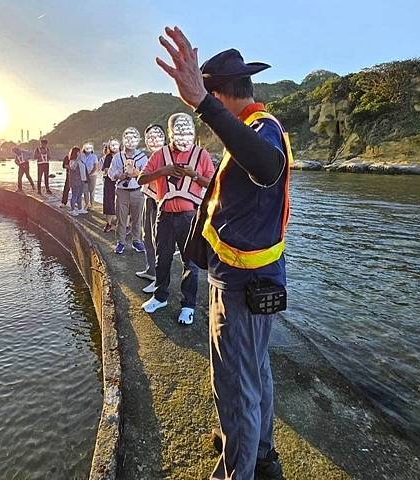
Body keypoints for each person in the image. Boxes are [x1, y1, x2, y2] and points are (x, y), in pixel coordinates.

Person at [157, 26, 291, 480]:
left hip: (241, 283)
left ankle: (239, 469)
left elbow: (267, 166)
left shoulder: (262, 130)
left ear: (221, 94)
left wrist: (202, 103)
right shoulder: (255, 129)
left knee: (236, 387)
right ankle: (260, 453)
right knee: (255, 373)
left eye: (210, 102)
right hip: (254, 277)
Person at [138, 113, 214, 324]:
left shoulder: (202, 155)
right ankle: (160, 296)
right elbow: (141, 178)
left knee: (190, 262)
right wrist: (164, 170)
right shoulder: (159, 155)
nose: (182, 135)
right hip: (164, 215)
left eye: (187, 130)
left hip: (189, 216)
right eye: (178, 131)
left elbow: (213, 184)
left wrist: (193, 175)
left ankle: (188, 305)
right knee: (163, 258)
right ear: (170, 133)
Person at [135, 124, 167, 293]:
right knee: (147, 235)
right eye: (149, 137)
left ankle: (159, 279)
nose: (152, 140)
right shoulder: (153, 156)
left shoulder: (166, 155)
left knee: (158, 240)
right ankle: (150, 270)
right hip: (148, 197)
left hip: (158, 201)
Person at [107, 127, 147, 254]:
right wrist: (119, 175)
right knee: (121, 218)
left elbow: (146, 174)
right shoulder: (117, 157)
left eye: (133, 138)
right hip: (122, 191)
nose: (130, 141)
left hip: (137, 190)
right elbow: (111, 173)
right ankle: (121, 242)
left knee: (137, 218)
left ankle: (137, 241)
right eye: (128, 138)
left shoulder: (142, 156)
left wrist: (136, 173)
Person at [101, 139, 120, 232]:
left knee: (120, 203)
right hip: (110, 182)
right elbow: (105, 170)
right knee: (109, 202)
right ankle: (109, 223)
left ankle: (118, 223)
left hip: (120, 183)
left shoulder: (122, 156)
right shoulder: (108, 157)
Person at [68, 146, 87, 216]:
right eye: (78, 152)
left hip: (81, 180)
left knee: (79, 195)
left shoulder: (81, 160)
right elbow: (73, 168)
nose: (80, 153)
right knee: (74, 195)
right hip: (75, 181)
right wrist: (77, 159)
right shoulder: (72, 161)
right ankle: (72, 210)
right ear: (75, 153)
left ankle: (80, 208)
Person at [80, 143, 98, 209]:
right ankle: (87, 204)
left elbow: (96, 167)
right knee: (85, 190)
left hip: (93, 175)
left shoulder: (94, 156)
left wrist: (90, 174)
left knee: (92, 190)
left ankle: (92, 205)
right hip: (84, 176)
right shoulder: (81, 156)